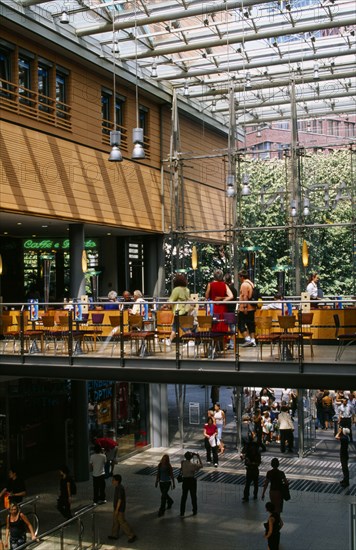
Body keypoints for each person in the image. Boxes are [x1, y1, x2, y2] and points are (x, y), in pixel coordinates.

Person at [108, 474, 136, 543]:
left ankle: (131, 535)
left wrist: (117, 510)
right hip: (117, 509)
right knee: (115, 521)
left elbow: (120, 500)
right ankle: (114, 535)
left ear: (117, 481)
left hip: (120, 509)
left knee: (122, 522)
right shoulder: (117, 487)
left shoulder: (120, 488)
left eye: (113, 480)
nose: (112, 481)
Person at [167, 274, 192, 344]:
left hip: (178, 311)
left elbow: (171, 300)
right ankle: (170, 340)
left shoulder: (176, 289)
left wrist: (166, 305)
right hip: (185, 310)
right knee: (175, 326)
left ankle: (191, 339)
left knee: (184, 327)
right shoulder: (187, 290)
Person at [180, 451, 203, 517]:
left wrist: (191, 455)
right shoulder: (193, 465)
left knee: (184, 496)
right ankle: (194, 510)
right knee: (193, 496)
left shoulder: (182, 463)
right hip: (191, 481)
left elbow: (185, 459)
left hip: (185, 480)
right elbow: (201, 465)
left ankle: (182, 512)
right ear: (191, 457)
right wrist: (198, 457)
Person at [237, 269, 256, 347]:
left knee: (240, 324)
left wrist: (244, 307)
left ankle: (247, 339)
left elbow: (245, 296)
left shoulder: (244, 285)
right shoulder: (251, 284)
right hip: (252, 308)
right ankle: (253, 340)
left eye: (239, 277)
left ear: (242, 277)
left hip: (245, 308)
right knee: (250, 325)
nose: (239, 279)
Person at [241, 435, 262, 502]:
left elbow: (243, 455)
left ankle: (246, 496)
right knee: (255, 483)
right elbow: (259, 461)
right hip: (255, 469)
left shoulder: (248, 447)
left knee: (248, 483)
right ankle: (255, 495)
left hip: (250, 469)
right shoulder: (256, 449)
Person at [224, 273, 238, 349]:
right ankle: (232, 343)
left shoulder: (226, 288)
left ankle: (226, 344)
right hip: (232, 310)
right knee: (232, 327)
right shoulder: (234, 290)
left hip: (226, 310)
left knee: (225, 327)